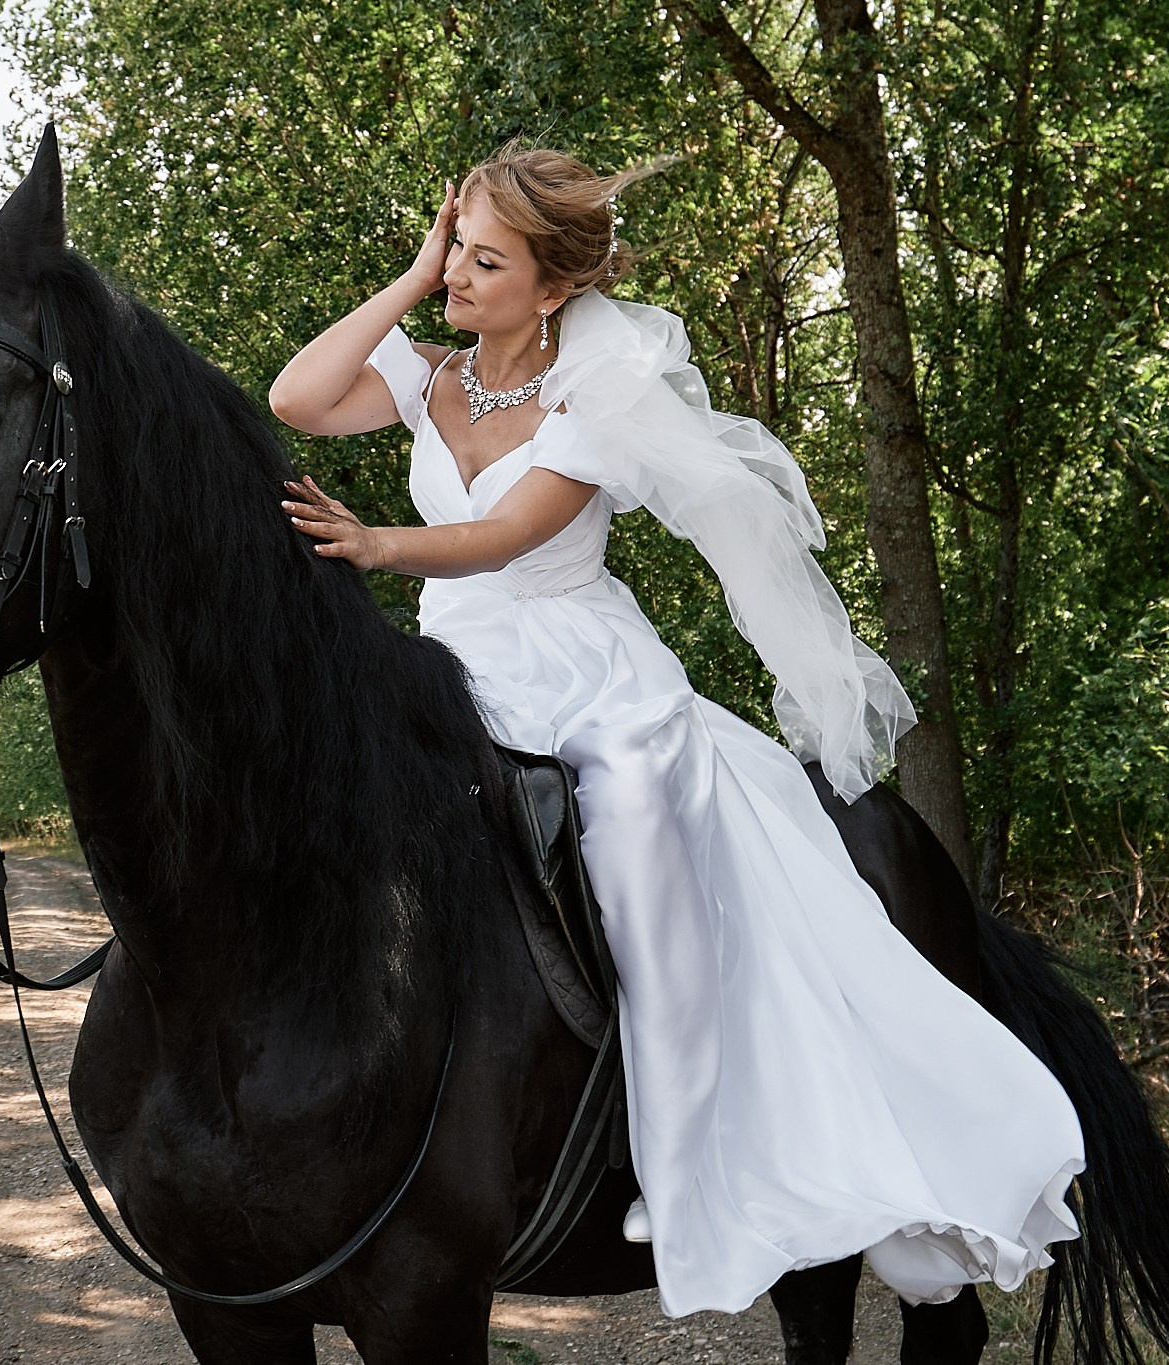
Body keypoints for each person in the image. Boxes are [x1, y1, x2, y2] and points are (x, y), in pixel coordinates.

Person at [267, 144, 1085, 1319]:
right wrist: (410, 275)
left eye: (484, 262)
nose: (459, 277)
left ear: (553, 291)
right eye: (456, 250)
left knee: (639, 839)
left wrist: (379, 545)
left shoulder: (593, 399)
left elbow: (508, 537)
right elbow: (298, 396)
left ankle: (677, 1148)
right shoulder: (433, 373)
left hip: (577, 657)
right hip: (443, 655)